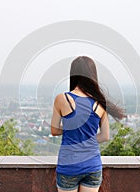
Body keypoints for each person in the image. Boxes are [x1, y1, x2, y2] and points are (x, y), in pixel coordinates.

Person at [51, 56, 125, 192]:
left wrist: (71, 129)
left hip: (69, 166)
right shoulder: (100, 102)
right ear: (92, 75)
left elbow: (54, 130)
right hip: (92, 166)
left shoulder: (62, 99)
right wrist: (86, 137)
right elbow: (105, 136)